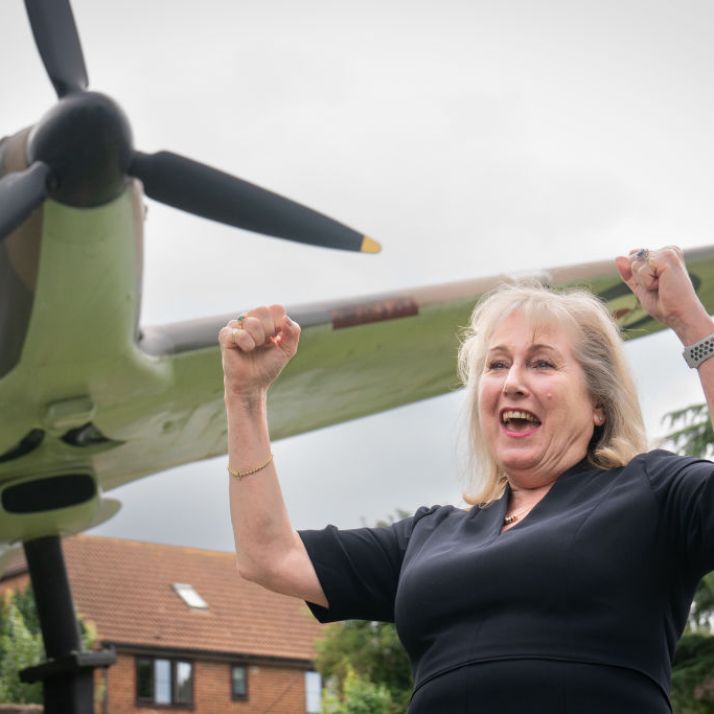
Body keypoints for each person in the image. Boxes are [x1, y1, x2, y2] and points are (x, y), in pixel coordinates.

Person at [219, 246, 714, 712]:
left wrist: (694, 327)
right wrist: (245, 398)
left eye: (541, 363)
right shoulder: (429, 535)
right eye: (497, 365)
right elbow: (268, 556)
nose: (512, 382)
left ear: (599, 404)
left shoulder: (651, 492)